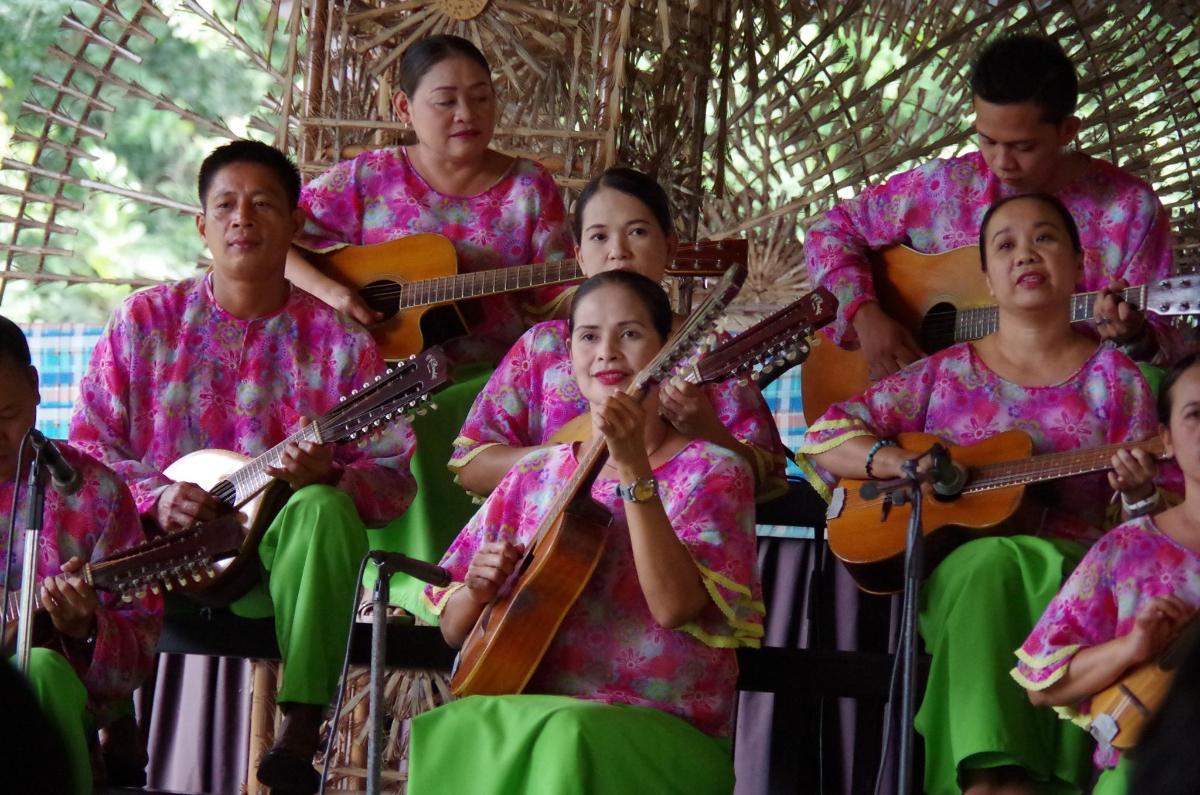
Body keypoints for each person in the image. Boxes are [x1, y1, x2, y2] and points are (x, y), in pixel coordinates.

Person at [68, 140, 416, 795]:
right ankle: (115, 721)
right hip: (156, 555)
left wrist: (328, 477)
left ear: (294, 226)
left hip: (271, 564)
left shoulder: (341, 341)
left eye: (263, 205)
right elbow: (87, 446)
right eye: (225, 205)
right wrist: (155, 494)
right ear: (201, 225)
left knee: (324, 508)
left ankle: (301, 725)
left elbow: (394, 476)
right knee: (90, 512)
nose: (242, 219)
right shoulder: (145, 321)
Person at [797, 194, 1161, 795]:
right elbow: (823, 439)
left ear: (1078, 264)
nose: (1027, 255)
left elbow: (1147, 527)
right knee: (988, 563)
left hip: (1078, 584)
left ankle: (995, 781)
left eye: (1045, 239)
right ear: (986, 279)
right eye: (1006, 245)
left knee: (1004, 565)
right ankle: (996, 780)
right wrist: (897, 460)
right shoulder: (944, 372)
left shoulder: (1118, 381)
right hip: (967, 589)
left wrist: (1141, 494)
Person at [410, 270, 762, 793]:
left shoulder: (714, 472)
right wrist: (478, 589)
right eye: (589, 336)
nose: (608, 352)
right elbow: (455, 630)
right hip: (531, 707)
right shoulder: (534, 474)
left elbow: (673, 607)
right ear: (569, 352)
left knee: (566, 733)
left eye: (631, 334)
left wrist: (633, 468)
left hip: (664, 724)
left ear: (667, 349)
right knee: (454, 727)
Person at [287, 34, 573, 614]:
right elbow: (279, 243)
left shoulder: (528, 186)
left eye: (481, 97)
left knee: (446, 415)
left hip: (492, 378)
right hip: (383, 377)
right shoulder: (364, 180)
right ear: (403, 109)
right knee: (399, 415)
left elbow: (556, 297)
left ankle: (446, 588)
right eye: (446, 100)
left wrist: (594, 284)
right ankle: (382, 589)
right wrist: (337, 293)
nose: (467, 114)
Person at [805, 32, 1178, 384]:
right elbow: (831, 231)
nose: (1001, 162)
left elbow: (1166, 349)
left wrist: (1136, 336)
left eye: (1023, 147)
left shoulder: (1129, 210)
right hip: (921, 409)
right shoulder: (944, 187)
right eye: (987, 140)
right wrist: (865, 316)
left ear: (1067, 130)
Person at [451, 166, 787, 510]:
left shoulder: (710, 347)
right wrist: (574, 457)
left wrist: (704, 427)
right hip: (553, 553)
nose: (618, 251)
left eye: (638, 232)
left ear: (670, 246)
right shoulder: (543, 346)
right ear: (579, 255)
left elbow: (760, 477)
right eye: (599, 237)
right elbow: (472, 465)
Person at [1014, 353, 1200, 795]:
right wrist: (1131, 648)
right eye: (1196, 414)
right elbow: (1042, 686)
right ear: (1166, 439)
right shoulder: (1129, 549)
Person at [1, 314, 161, 795]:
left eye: (4, 415)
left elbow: (139, 650)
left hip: (39, 723)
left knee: (43, 669)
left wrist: (88, 630)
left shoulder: (95, 494)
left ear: (34, 387)